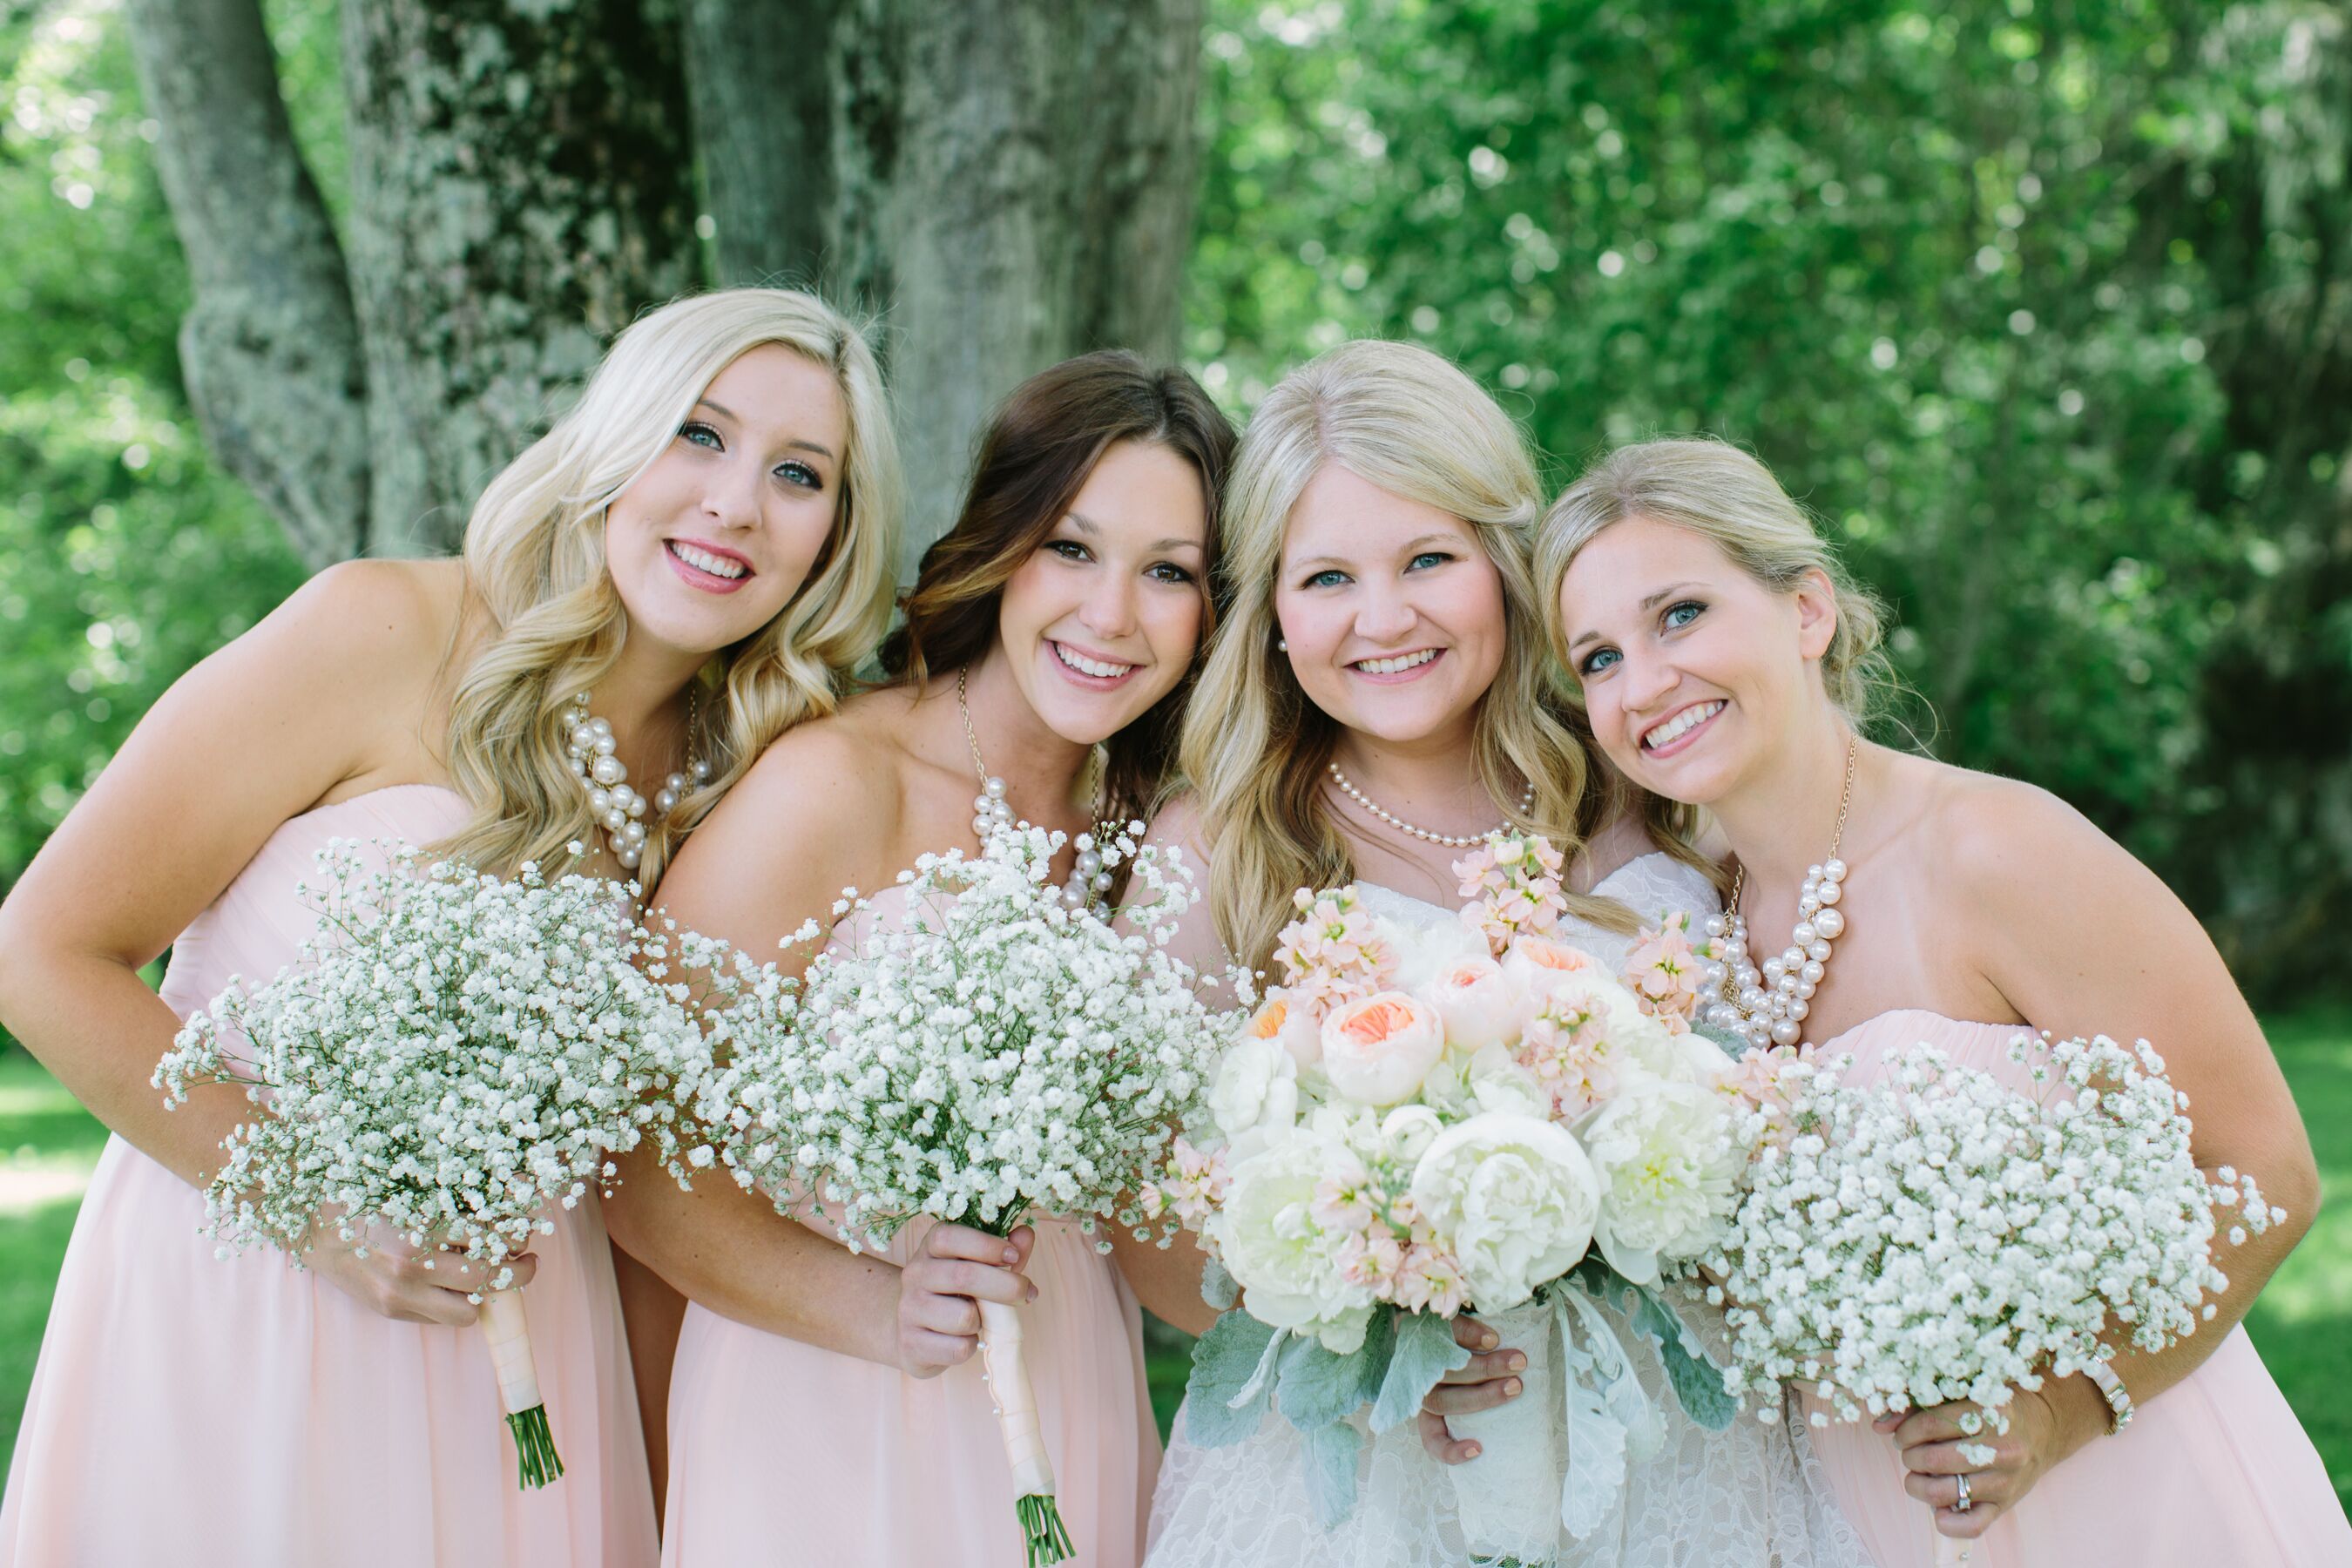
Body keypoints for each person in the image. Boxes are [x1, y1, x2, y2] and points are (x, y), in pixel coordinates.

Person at [0, 287, 902, 1568]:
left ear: (834, 537)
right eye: (698, 435)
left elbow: (653, 1174)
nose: (737, 502)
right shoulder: (381, 629)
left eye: (799, 473)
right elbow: (41, 954)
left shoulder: (750, 780)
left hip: (526, 1358)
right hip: (255, 1303)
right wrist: (316, 1210)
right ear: (613, 439)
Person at [1540, 434, 2349, 1566]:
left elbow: (2266, 1170)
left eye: (1680, 615)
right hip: (1871, 1523)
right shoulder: (1682, 947)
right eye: (1599, 658)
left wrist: (2062, 1408)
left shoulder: (1996, 852)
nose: (1645, 681)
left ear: (1808, 610)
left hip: (2134, 1499)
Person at [1142, 341, 1870, 1568]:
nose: (1385, 618)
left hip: (1681, 1464)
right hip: (1374, 1490)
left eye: (1429, 558)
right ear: (1271, 612)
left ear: (1504, 564)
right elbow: (1152, 1224)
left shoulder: (1656, 772)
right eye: (1327, 577)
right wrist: (1357, 1341)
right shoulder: (1220, 848)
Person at [598, 350, 1235, 1567]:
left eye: (1169, 574)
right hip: (826, 1415)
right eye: (1071, 548)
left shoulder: (1159, 838)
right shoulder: (837, 782)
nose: (1112, 614)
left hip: (1070, 1393)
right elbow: (637, 1150)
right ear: (1001, 545)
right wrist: (873, 1305)